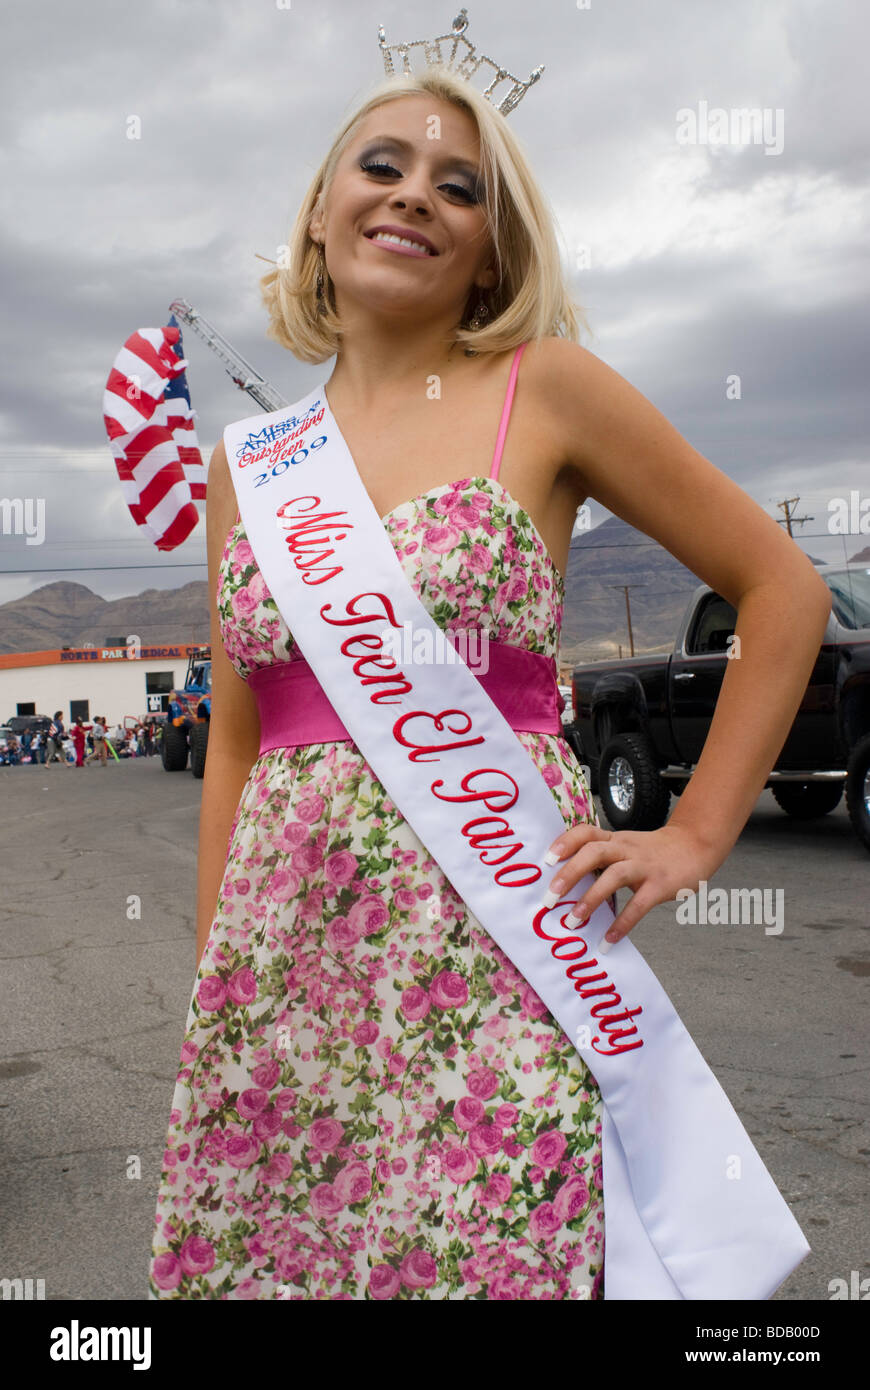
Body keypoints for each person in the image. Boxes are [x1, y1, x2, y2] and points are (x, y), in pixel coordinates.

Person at [149, 63, 830, 1302]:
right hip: (290, 968)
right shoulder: (248, 464)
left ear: (489, 247)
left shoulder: (546, 387)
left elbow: (784, 589)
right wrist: (220, 976)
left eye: (458, 186)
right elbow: (241, 747)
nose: (414, 196)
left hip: (498, 945)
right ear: (320, 209)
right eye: (382, 165)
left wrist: (694, 832)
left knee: (497, 1257)